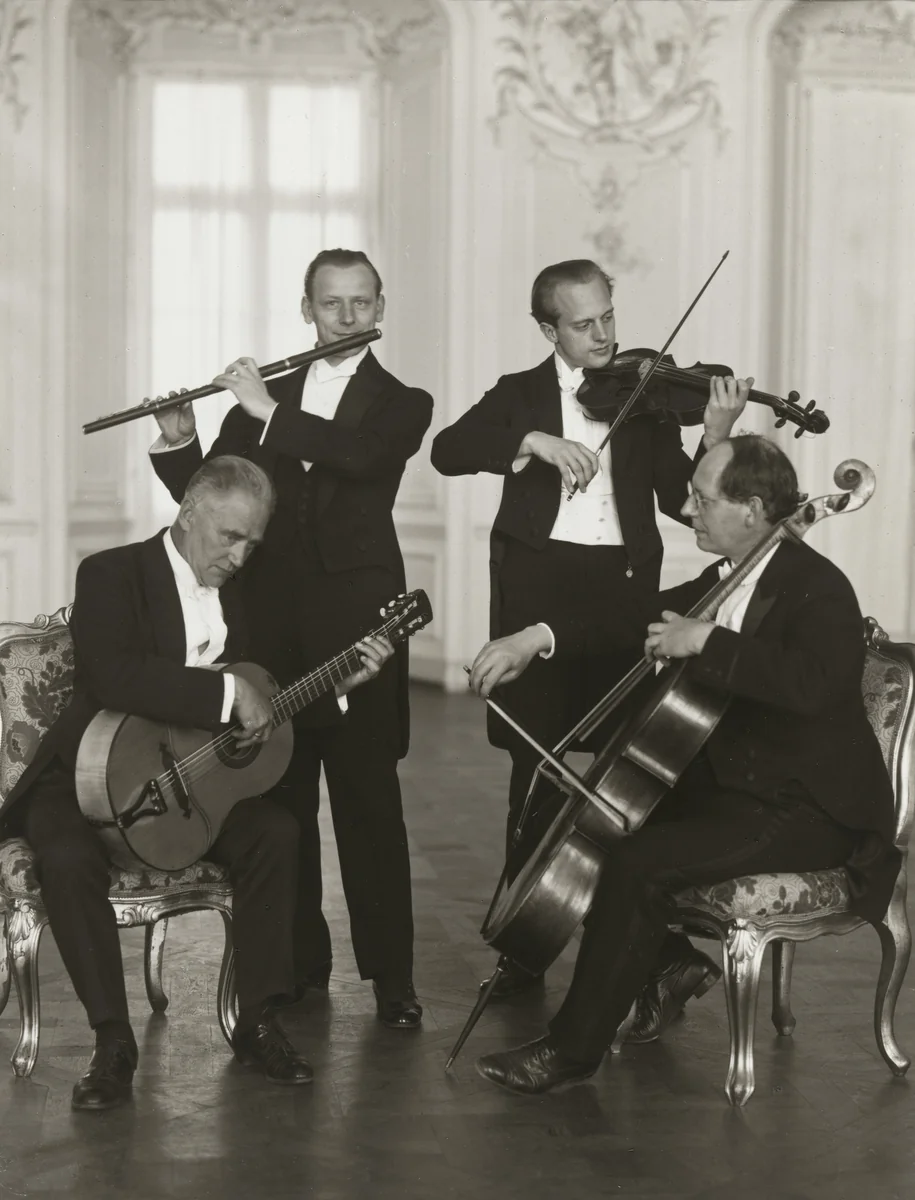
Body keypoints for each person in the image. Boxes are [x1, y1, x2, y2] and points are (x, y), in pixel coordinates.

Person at [467, 433, 900, 1094]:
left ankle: (572, 1051)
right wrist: (534, 637)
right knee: (573, 806)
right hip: (737, 787)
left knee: (637, 863)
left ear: (752, 509)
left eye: (702, 499)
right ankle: (669, 964)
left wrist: (707, 641)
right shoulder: (725, 577)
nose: (687, 508)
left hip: (805, 807)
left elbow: (813, 685)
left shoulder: (818, 586)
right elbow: (629, 615)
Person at [2, 456, 393, 1110]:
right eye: (229, 537)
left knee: (276, 832)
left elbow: (268, 694)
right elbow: (116, 675)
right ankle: (112, 1043)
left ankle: (257, 1021)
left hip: (186, 785)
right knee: (66, 859)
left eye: (251, 543)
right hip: (83, 777)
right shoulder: (111, 572)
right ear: (188, 513)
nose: (238, 557)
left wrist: (337, 689)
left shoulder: (243, 589)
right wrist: (227, 693)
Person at [431, 258, 748, 998]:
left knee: (626, 772)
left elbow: (681, 500)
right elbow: (447, 451)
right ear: (549, 330)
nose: (603, 335)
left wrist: (717, 432)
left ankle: (646, 950)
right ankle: (522, 951)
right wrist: (533, 442)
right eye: (583, 324)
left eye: (608, 317)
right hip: (537, 591)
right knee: (537, 774)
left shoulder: (643, 399)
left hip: (621, 591)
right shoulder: (518, 395)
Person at [148, 249, 433, 1029]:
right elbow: (216, 498)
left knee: (369, 807)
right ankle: (302, 966)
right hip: (270, 627)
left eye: (360, 303)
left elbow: (361, 456)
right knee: (282, 799)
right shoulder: (260, 404)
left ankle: (393, 980)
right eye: (331, 303)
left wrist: (268, 409)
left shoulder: (402, 402)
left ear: (380, 307)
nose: (346, 317)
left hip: (365, 625)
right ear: (306, 309)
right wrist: (180, 441)